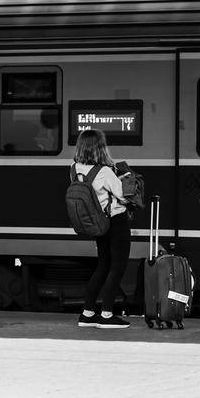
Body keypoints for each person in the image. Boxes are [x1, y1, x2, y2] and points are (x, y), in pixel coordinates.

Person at [72, 128, 132, 329]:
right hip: (116, 221)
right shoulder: (104, 171)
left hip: (97, 223)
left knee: (103, 265)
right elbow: (124, 196)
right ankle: (106, 315)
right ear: (100, 148)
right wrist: (126, 178)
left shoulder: (74, 168)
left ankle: (87, 313)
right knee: (117, 266)